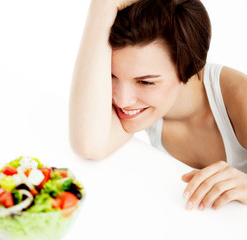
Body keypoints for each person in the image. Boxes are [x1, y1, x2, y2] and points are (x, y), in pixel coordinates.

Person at [69, 0, 247, 211]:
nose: (123, 100)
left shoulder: (239, 97)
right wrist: (101, 7)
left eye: (145, 82)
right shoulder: (142, 107)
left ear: (189, 66)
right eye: (111, 75)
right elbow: (89, 145)